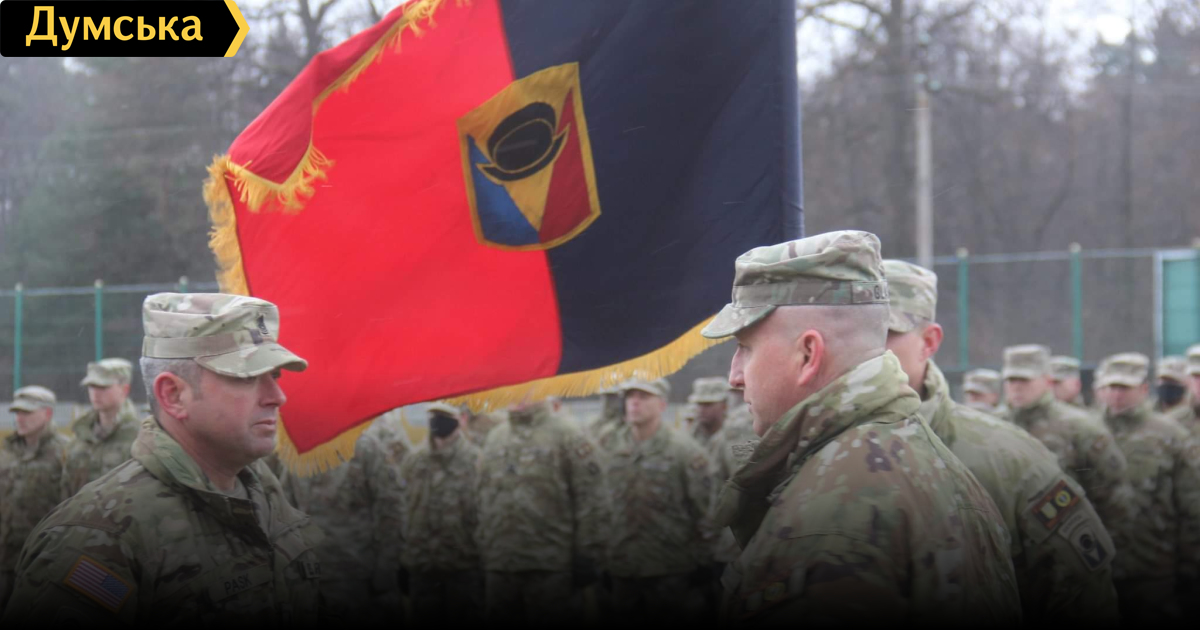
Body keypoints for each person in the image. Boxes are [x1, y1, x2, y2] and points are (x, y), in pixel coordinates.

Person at [701, 230, 1020, 624]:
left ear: (808, 354)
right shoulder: (917, 456)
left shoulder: (832, 512)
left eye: (746, 348)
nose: (734, 376)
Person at [1, 293, 324, 625]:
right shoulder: (96, 540)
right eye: (247, 377)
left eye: (275, 376)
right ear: (174, 395)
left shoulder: (266, 495)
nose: (277, 396)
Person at [883, 259, 1118, 623]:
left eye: (885, 332)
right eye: (846, 332)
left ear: (928, 342)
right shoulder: (792, 448)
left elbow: (1080, 591)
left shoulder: (1007, 458)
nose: (862, 347)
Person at [477, 398, 608, 624]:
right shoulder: (495, 438)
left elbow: (592, 500)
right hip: (501, 566)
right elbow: (482, 497)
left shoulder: (567, 435)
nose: (517, 395)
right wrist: (484, 552)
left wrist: (588, 555)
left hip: (551, 566)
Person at [1093, 353, 1200, 623]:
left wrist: (1190, 571)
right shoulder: (1085, 433)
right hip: (1096, 567)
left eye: (1124, 387)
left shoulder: (1170, 435)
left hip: (1153, 568)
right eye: (1111, 387)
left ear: (1143, 389)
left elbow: (1191, 507)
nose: (1117, 395)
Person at [597, 378, 714, 622]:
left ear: (662, 404)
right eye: (630, 397)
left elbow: (705, 512)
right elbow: (597, 503)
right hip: (621, 566)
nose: (634, 403)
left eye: (643, 397)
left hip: (670, 568)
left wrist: (703, 563)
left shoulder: (684, 451)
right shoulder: (608, 445)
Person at [1002, 344, 1135, 539]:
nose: (1016, 387)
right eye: (1011, 379)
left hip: (1065, 545)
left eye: (1024, 379)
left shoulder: (1081, 428)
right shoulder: (992, 428)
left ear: (1047, 381)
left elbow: (1114, 499)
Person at [280, 424, 403, 623]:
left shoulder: (366, 448)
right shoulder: (298, 450)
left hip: (358, 575)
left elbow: (391, 510)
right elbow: (284, 510)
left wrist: (386, 569)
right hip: (311, 575)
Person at [398, 403, 483, 624]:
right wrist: (403, 560)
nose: (438, 421)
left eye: (445, 416)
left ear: (461, 419)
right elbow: (402, 508)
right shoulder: (414, 460)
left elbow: (487, 514)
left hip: (464, 567)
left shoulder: (476, 461)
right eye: (434, 416)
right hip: (422, 567)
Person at [0, 386, 67, 613]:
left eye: (27, 412)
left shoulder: (65, 453)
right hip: (4, 560)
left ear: (47, 413)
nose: (20, 418)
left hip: (42, 562)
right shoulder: (7, 452)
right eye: (17, 412)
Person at [61, 358, 141, 499]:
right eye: (91, 386)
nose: (95, 393)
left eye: (103, 387)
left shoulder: (140, 437)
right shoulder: (81, 435)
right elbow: (66, 489)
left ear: (124, 389)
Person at [1155, 355, 1197, 433]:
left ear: (1187, 383)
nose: (1167, 384)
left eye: (1173, 381)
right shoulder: (1149, 410)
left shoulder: (1194, 414)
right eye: (1164, 380)